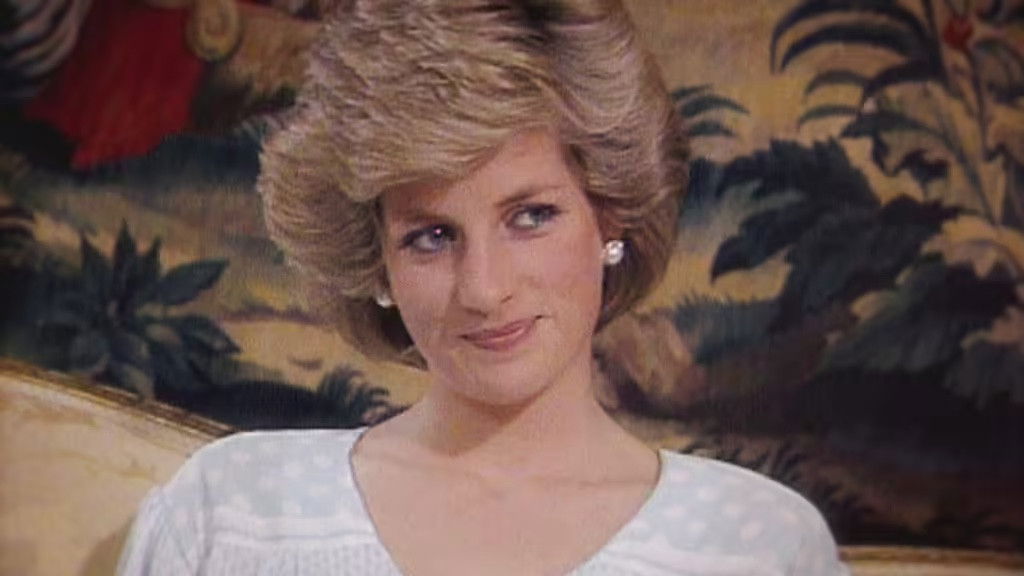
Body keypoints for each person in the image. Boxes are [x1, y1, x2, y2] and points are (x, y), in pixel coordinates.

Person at [117, 1, 850, 574]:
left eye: (531, 217)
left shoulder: (755, 548)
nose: (484, 288)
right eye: (431, 236)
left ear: (610, 216)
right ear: (377, 263)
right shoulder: (234, 513)